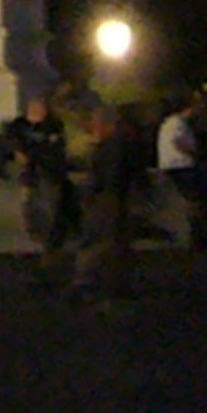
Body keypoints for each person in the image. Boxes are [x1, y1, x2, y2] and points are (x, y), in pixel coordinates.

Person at [71, 104, 137, 304]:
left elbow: (106, 175)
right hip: (112, 197)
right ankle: (111, 285)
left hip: (106, 198)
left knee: (99, 242)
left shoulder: (108, 147)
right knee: (111, 243)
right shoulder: (120, 144)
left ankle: (89, 283)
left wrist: (92, 193)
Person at [11, 95, 79, 273]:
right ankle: (33, 230)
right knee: (27, 200)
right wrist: (21, 153)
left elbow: (54, 148)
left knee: (51, 202)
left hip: (49, 169)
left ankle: (51, 235)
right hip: (28, 169)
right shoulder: (19, 125)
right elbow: (12, 142)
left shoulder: (53, 125)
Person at [158, 94, 207, 249]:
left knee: (190, 201)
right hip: (181, 165)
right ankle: (196, 236)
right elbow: (179, 141)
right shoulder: (177, 123)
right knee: (194, 200)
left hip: (174, 165)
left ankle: (195, 235)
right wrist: (195, 152)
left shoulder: (170, 123)